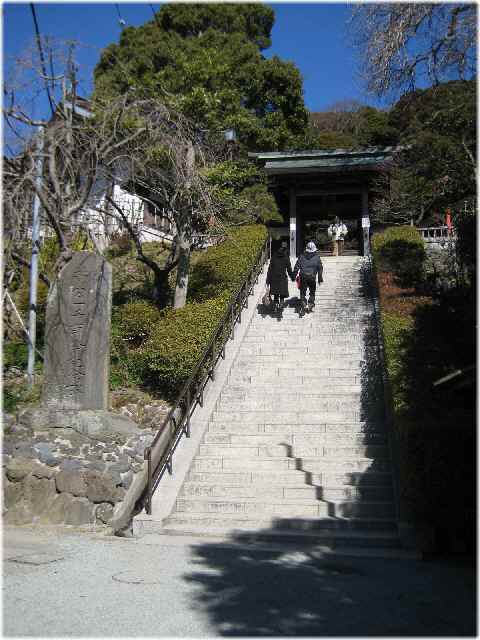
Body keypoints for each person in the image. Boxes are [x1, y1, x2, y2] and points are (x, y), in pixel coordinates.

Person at [292, 241, 323, 316]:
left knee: (302, 292)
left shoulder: (301, 256)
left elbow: (296, 267)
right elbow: (320, 268)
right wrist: (320, 278)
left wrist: (294, 275)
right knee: (312, 292)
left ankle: (303, 303)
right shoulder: (317, 257)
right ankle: (310, 303)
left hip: (303, 276)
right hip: (312, 276)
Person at [266, 241, 293, 316]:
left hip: (274, 278)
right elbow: (289, 269)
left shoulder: (273, 258)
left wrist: (267, 281)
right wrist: (293, 277)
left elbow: (270, 270)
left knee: (275, 294)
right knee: (282, 293)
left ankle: (275, 305)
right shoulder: (286, 258)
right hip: (282, 278)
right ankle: (281, 303)